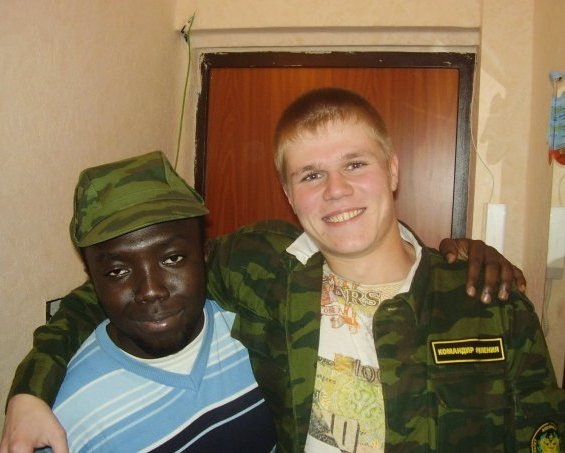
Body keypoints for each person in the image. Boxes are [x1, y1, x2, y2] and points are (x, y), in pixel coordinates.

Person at [1, 88, 528, 452]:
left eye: (355, 163)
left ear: (392, 169)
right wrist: (29, 389)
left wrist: (456, 254)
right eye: (311, 175)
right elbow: (111, 291)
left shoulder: (490, 303)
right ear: (288, 195)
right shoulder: (262, 267)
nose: (337, 190)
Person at [37, 152, 277, 451]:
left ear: (205, 254)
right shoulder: (69, 419)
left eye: (172, 258)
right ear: (91, 278)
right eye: (118, 271)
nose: (150, 290)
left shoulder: (255, 335)